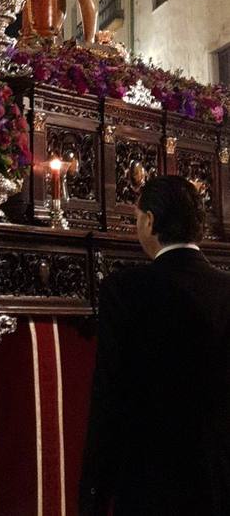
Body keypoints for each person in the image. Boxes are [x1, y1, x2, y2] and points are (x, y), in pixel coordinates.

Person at [80, 176, 230, 515]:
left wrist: (94, 490)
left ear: (149, 220)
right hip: (217, 476)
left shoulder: (125, 290)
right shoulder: (226, 290)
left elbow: (109, 394)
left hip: (149, 478)